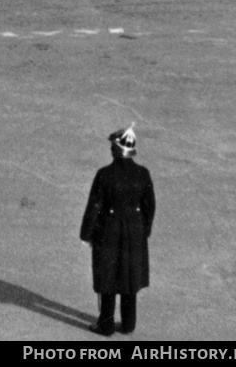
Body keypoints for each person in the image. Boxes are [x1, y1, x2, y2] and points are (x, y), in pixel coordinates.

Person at [80, 126, 156, 336]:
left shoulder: (104, 175)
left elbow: (94, 206)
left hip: (108, 232)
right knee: (130, 279)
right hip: (135, 233)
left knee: (108, 279)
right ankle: (129, 324)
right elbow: (150, 206)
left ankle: (106, 325)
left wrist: (86, 234)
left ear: (115, 149)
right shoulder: (143, 173)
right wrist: (144, 230)